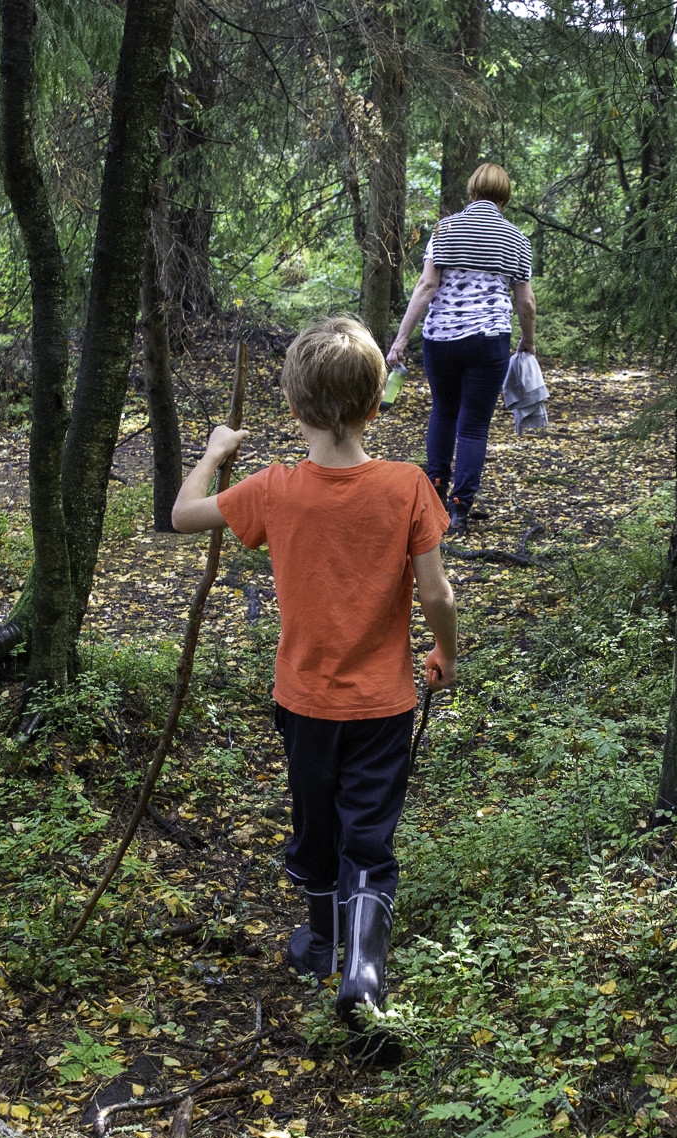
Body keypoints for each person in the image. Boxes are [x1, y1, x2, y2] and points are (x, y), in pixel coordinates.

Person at [172, 315, 458, 1061]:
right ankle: (360, 975)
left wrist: (212, 453)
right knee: (369, 835)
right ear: (375, 407)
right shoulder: (408, 486)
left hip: (303, 703)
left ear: (294, 410)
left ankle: (322, 940)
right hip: (384, 704)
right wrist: (444, 651)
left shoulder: (274, 489)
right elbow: (438, 595)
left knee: (316, 822)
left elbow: (180, 514)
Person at [387, 163, 537, 531]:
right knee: (473, 427)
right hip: (490, 341)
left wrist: (402, 338)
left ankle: (435, 492)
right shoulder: (517, 239)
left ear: (471, 193)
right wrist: (528, 342)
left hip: (441, 340)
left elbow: (425, 287)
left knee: (443, 411)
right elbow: (527, 303)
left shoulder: (446, 228)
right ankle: (459, 509)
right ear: (505, 198)